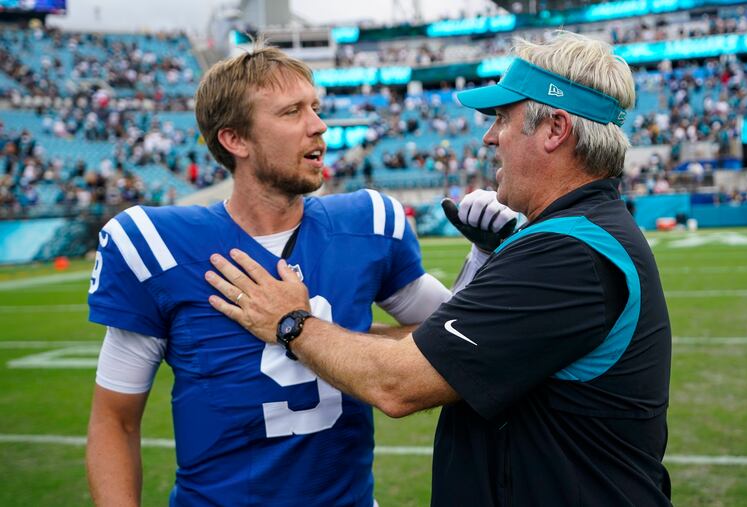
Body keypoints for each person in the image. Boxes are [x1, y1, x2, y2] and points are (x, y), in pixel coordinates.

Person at [205, 31, 673, 506]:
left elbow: (399, 384)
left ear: (555, 129)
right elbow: (443, 347)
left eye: (502, 119)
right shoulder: (572, 237)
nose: (489, 136)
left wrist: (292, 323)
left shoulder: (569, 254)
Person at [85, 42, 514, 506]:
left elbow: (455, 336)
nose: (319, 125)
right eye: (292, 112)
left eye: (315, 107)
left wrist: (483, 259)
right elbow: (115, 420)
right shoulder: (158, 246)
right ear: (235, 140)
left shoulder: (368, 223)